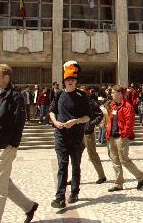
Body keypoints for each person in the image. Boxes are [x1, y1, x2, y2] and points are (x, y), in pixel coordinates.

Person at [0, 64, 38, 223]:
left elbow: (19, 121)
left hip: (6, 147)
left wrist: (13, 144)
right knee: (5, 182)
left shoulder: (15, 96)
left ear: (6, 78)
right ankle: (29, 206)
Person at [49, 61, 92, 208]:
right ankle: (60, 197)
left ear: (76, 81)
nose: (70, 82)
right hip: (61, 134)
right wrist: (55, 122)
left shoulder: (82, 95)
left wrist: (76, 121)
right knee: (62, 165)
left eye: (72, 80)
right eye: (68, 80)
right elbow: (52, 111)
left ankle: (74, 192)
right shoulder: (58, 94)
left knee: (75, 165)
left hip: (76, 135)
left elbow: (88, 116)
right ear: (64, 81)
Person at [106, 85, 143, 192]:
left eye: (113, 92)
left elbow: (130, 122)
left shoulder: (127, 106)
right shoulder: (113, 105)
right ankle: (118, 183)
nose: (111, 94)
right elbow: (110, 121)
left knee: (124, 160)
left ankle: (140, 176)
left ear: (119, 94)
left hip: (121, 137)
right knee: (115, 160)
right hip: (112, 136)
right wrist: (108, 132)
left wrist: (124, 134)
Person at [83, 88, 107, 184]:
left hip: (88, 133)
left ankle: (102, 175)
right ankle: (75, 177)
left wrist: (91, 124)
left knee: (92, 155)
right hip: (77, 133)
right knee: (75, 157)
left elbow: (100, 115)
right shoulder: (76, 103)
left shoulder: (91, 103)